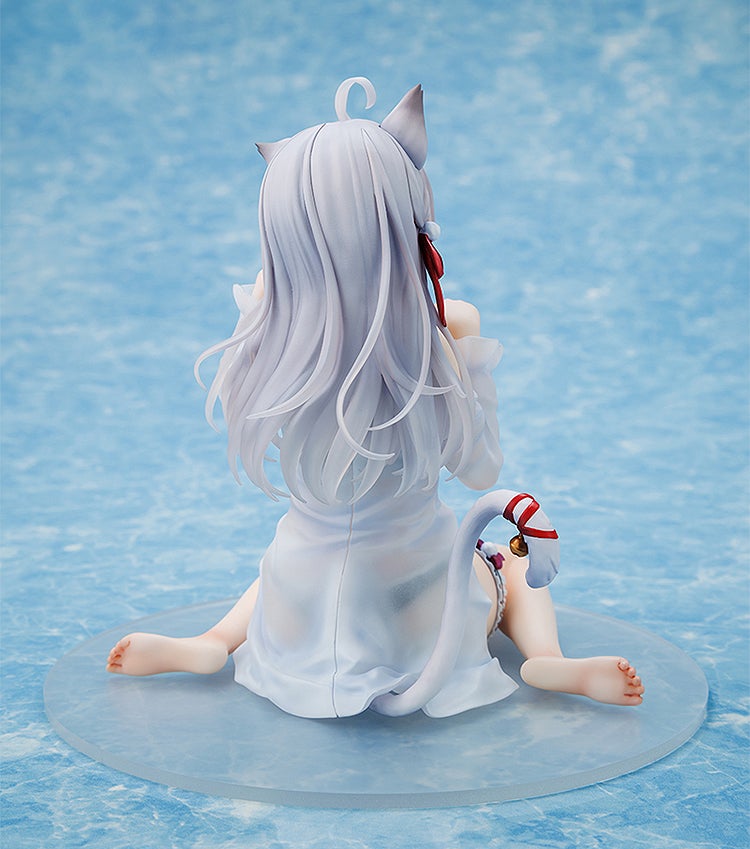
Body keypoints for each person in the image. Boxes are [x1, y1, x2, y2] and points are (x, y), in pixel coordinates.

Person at [106, 79, 644, 717]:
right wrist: (469, 358)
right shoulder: (447, 332)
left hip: (297, 600)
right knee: (505, 567)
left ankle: (214, 642)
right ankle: (544, 658)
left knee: (288, 562)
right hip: (421, 604)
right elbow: (480, 471)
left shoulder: (268, 334)